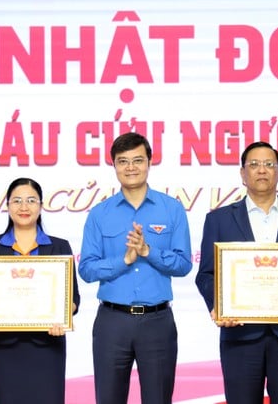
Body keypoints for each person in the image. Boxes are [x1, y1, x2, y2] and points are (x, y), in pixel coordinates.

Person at [195, 141, 278, 404]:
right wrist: (219, 306)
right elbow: (206, 274)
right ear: (242, 174)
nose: (262, 170)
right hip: (240, 334)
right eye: (254, 164)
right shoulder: (219, 220)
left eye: (269, 164)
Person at [78, 132, 193, 404]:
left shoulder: (171, 209)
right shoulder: (100, 213)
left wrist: (147, 252)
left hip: (157, 322)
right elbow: (86, 269)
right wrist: (125, 260)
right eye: (123, 161)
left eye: (138, 160)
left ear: (150, 162)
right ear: (114, 166)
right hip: (112, 322)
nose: (131, 167)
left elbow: (184, 264)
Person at [0, 177, 80, 404]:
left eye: (31, 200)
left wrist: (63, 316)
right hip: (5, 348)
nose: (24, 207)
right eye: (17, 201)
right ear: (7, 206)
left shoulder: (59, 246)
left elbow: (73, 298)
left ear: (41, 205)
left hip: (48, 347)